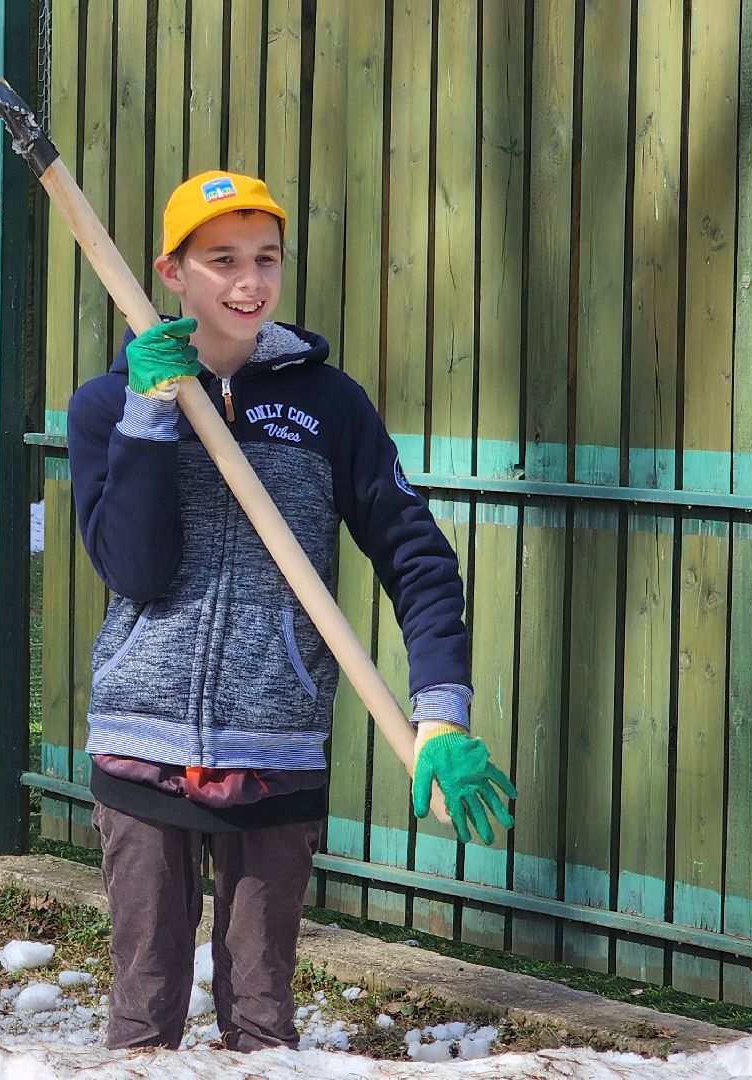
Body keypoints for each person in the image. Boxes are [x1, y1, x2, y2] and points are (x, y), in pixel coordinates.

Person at [66, 169, 517, 1053]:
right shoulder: (106, 407)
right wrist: (152, 417)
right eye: (221, 259)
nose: (249, 282)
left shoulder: (329, 406)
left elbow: (414, 555)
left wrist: (440, 713)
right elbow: (135, 571)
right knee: (142, 1019)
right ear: (171, 272)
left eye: (265, 258)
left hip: (277, 748)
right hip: (142, 742)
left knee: (264, 1027)